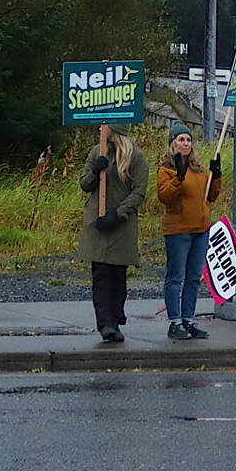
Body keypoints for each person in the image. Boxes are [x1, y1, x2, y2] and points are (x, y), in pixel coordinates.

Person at [80, 128, 149, 343]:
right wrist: (94, 170)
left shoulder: (136, 157)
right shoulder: (97, 152)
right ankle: (105, 324)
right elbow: (84, 184)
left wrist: (119, 214)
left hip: (121, 224)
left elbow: (139, 191)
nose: (101, 129)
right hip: (98, 223)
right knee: (101, 276)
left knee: (118, 276)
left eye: (106, 126)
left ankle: (116, 316)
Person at [156, 129, 222, 339]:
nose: (185, 144)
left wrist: (217, 176)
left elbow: (210, 196)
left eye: (188, 140)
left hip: (200, 229)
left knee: (194, 278)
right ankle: (175, 322)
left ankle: (188, 320)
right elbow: (165, 197)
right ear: (172, 144)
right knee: (175, 276)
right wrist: (179, 178)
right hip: (178, 230)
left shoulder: (200, 170)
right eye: (181, 140)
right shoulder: (167, 170)